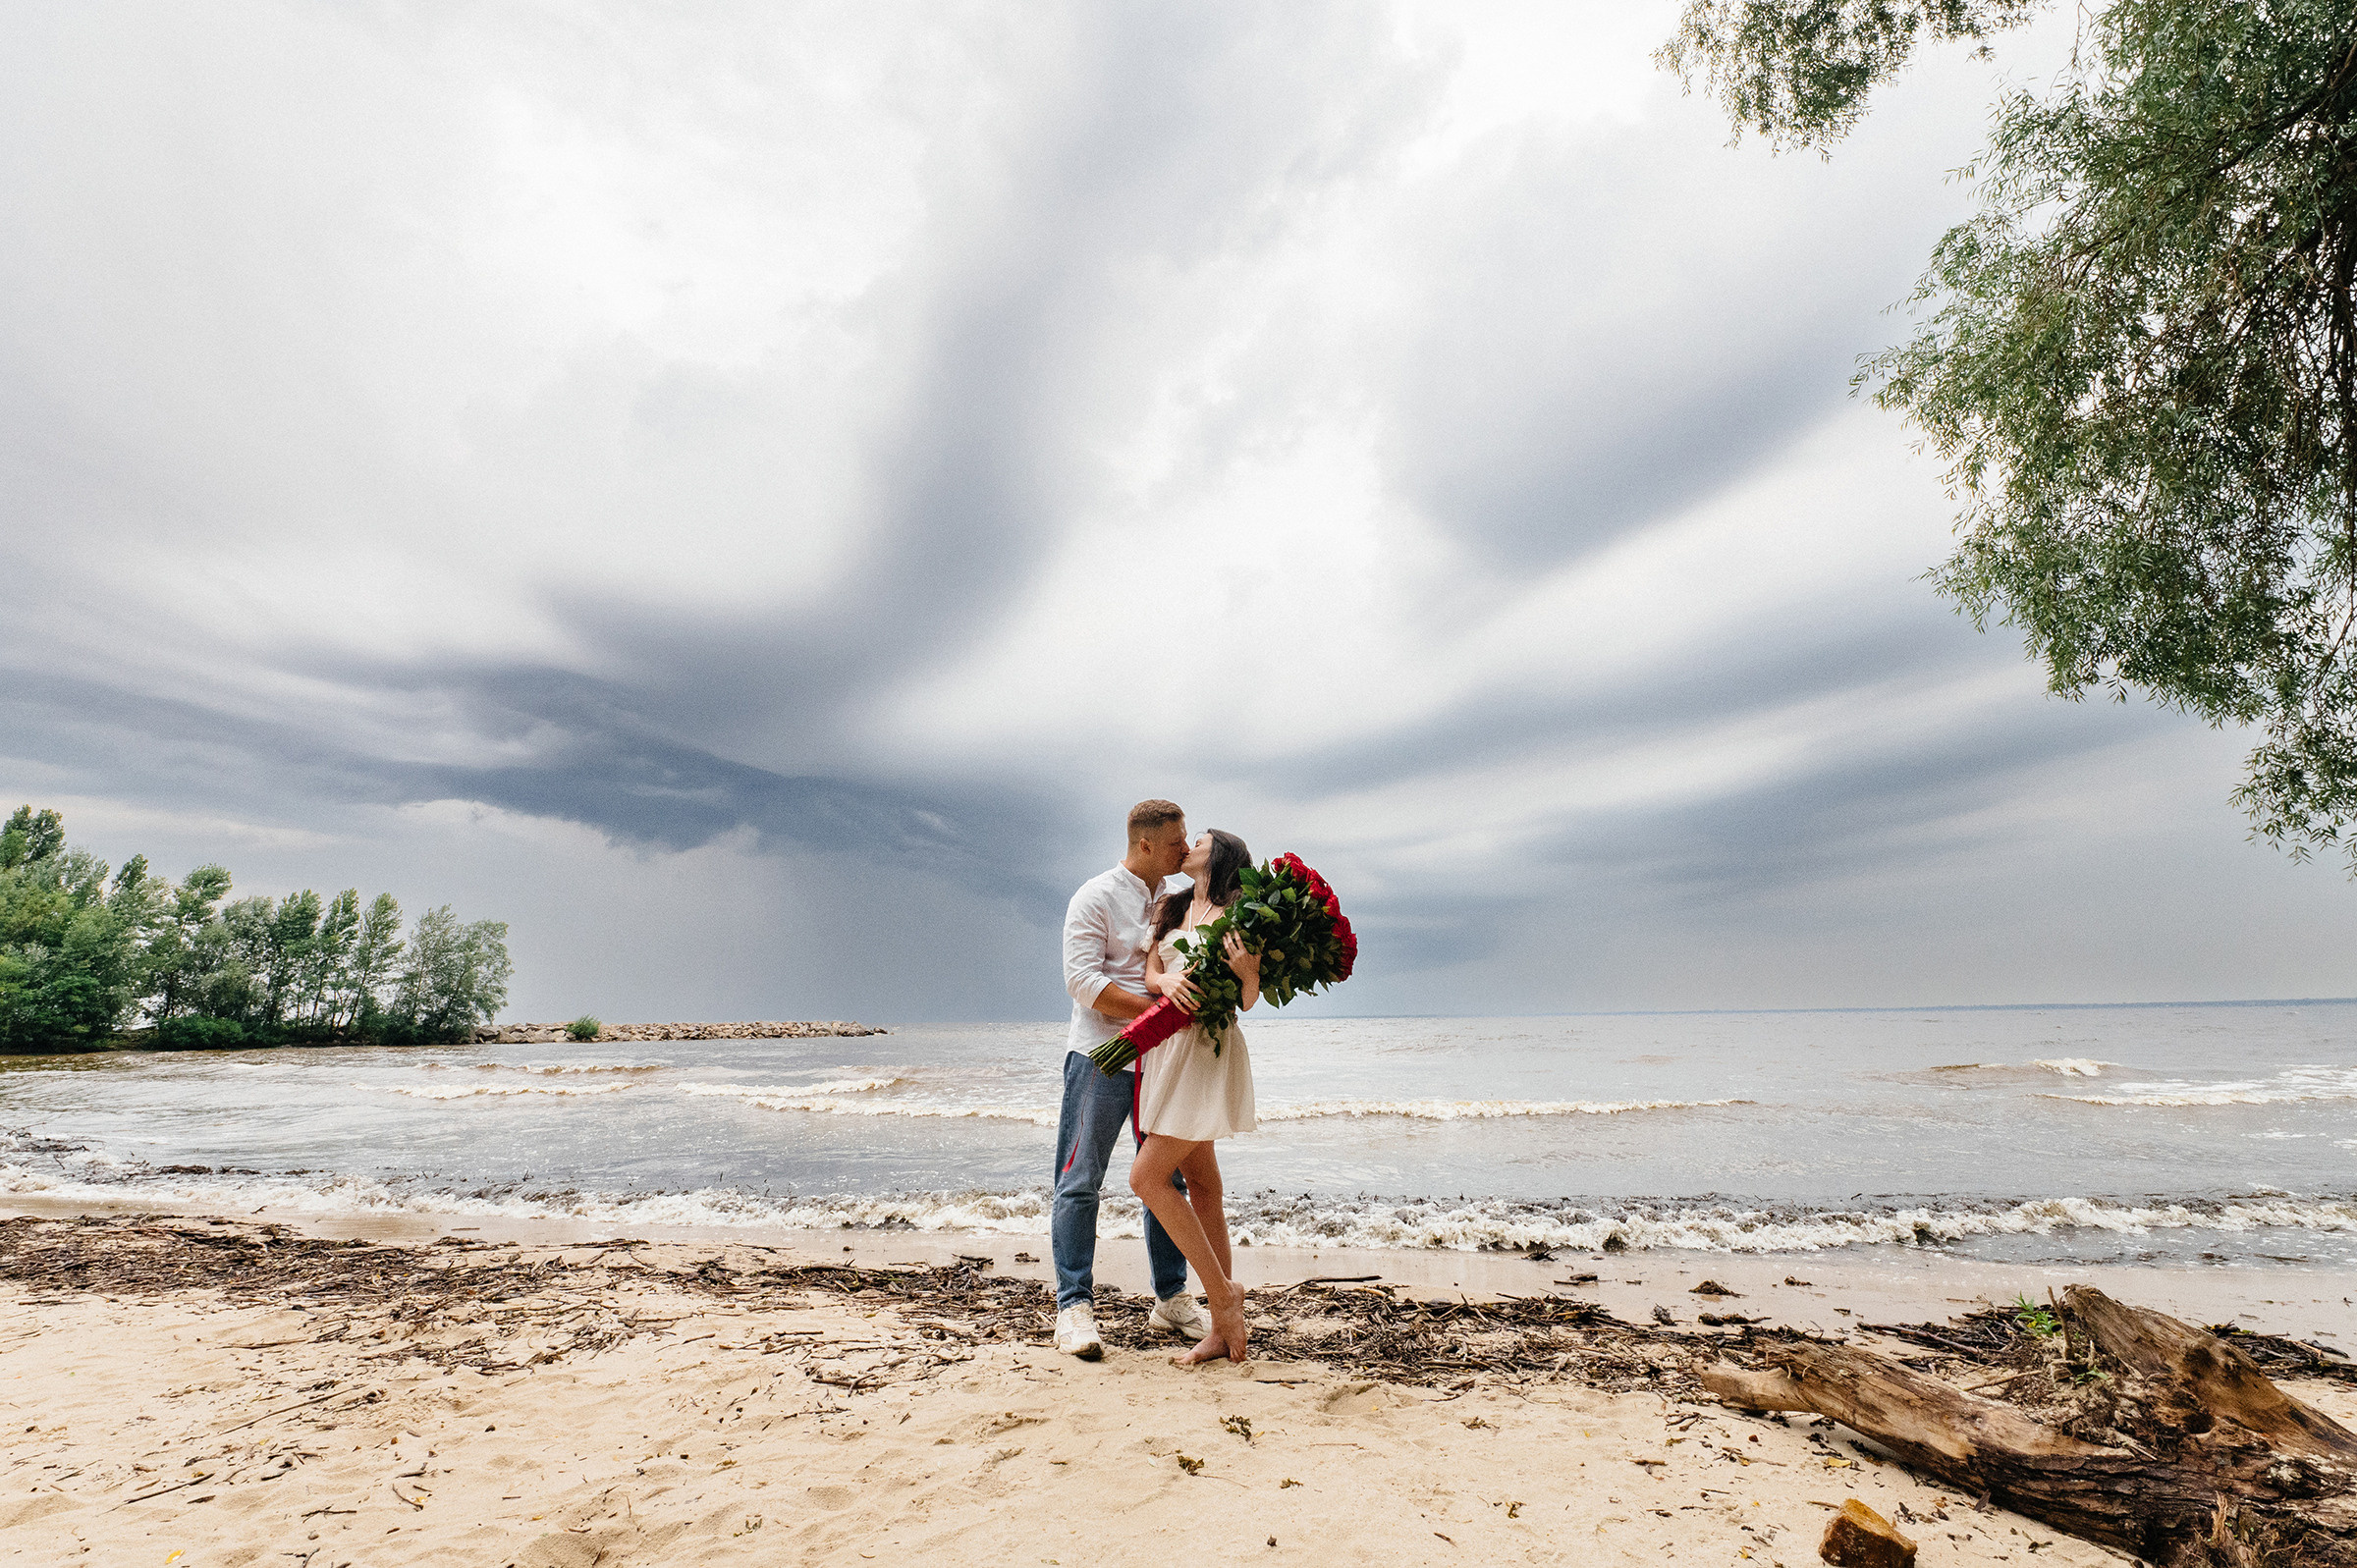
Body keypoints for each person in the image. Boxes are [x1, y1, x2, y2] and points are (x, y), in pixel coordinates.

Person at [1053, 799, 1213, 1359]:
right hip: (1100, 1057)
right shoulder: (1094, 896)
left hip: (1162, 1063)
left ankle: (1170, 1298)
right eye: (1176, 841)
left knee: (1166, 1182)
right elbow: (1081, 981)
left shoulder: (1173, 903)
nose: (1184, 848)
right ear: (1145, 844)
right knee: (1080, 1182)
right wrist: (1154, 1006)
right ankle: (1073, 1308)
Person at [1128, 828, 1259, 1364]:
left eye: (1199, 837)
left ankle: (1223, 1297)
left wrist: (1247, 972)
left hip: (1205, 1047)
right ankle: (1222, 1329)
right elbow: (1151, 969)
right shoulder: (1173, 905)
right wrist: (1163, 986)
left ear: (1221, 852)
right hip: (1164, 1046)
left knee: (1146, 1178)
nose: (1188, 844)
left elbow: (1248, 1000)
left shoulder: (1240, 910)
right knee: (1204, 1185)